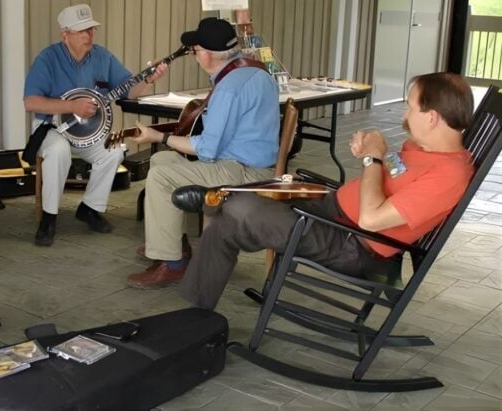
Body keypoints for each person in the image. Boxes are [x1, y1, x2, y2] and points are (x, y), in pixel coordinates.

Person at [179, 72, 475, 310]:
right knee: (247, 201)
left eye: (410, 107)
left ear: (432, 117)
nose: (406, 114)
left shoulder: (449, 175)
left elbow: (372, 220)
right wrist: (376, 155)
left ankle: (211, 206)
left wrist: (372, 159)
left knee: (239, 209)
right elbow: (395, 175)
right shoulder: (424, 148)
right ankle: (197, 309)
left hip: (353, 242)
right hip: (333, 211)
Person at [124, 17, 280, 289]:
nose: (195, 55)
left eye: (195, 50)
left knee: (160, 177)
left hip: (244, 171)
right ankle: (174, 244)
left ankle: (172, 264)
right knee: (161, 159)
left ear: (207, 55)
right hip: (252, 161)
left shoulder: (229, 88)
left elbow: (207, 150)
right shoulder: (255, 71)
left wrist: (159, 136)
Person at [23, 3, 167, 246]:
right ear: (65, 34)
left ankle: (90, 207)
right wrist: (72, 107)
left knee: (115, 149)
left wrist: (148, 80)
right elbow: (31, 102)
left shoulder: (102, 57)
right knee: (58, 152)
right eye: (81, 31)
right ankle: (48, 217)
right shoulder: (47, 59)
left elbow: (128, 89)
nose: (88, 35)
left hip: (90, 133)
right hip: (54, 129)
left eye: (91, 29)